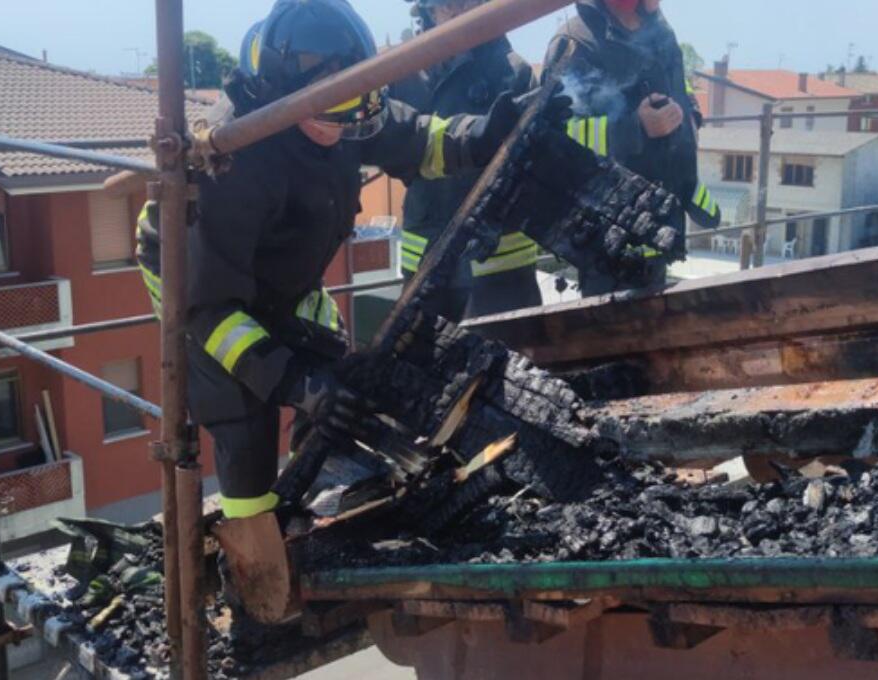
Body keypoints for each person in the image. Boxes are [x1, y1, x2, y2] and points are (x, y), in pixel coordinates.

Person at [135, 0, 566, 558]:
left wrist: (486, 132)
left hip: (281, 275)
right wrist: (296, 385)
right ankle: (251, 564)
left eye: (355, 115)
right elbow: (210, 309)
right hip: (199, 288)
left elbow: (418, 139)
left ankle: (307, 505)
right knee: (243, 416)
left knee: (341, 376)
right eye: (333, 118)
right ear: (286, 97)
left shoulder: (338, 109)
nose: (345, 133)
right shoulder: (232, 164)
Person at [544, 0, 721, 297]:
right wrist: (634, 128)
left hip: (662, 230)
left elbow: (678, 83)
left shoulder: (660, 31)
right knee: (611, 338)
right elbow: (554, 139)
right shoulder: (575, 42)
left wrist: (691, 113)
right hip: (609, 245)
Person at [393, 0, 541, 320]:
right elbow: (391, 150)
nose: (458, 13)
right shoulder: (405, 73)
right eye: (447, 5)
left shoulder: (513, 72)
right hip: (425, 268)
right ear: (429, 11)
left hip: (501, 272)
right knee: (421, 367)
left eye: (467, 2)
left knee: (510, 367)